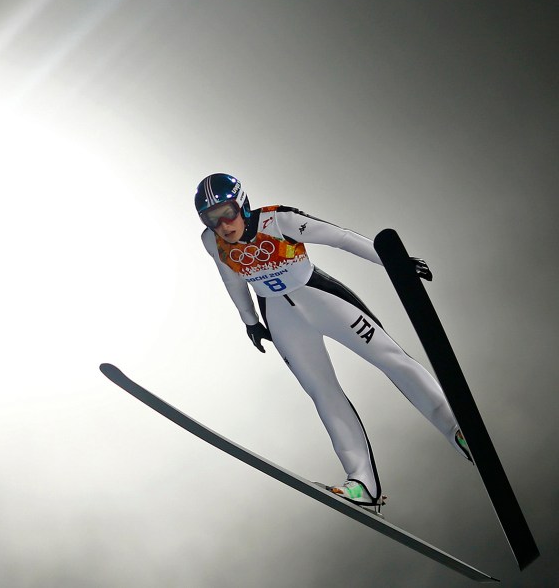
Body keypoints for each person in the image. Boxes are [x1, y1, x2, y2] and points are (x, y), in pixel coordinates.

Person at [196, 172, 470, 510]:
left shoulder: (278, 219)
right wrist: (250, 321)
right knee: (322, 393)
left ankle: (457, 429)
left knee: (390, 358)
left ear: (244, 204)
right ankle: (362, 484)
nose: (223, 225)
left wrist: (395, 262)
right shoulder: (212, 242)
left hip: (324, 301)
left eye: (228, 213)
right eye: (213, 218)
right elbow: (230, 277)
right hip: (283, 320)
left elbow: (339, 237)